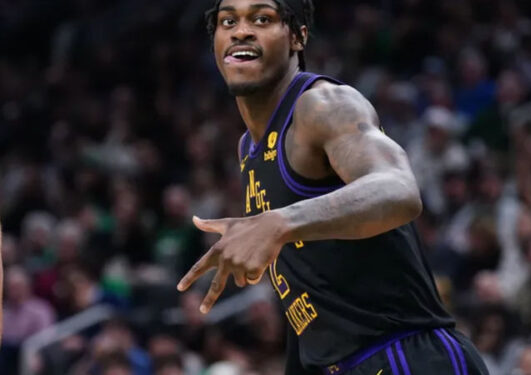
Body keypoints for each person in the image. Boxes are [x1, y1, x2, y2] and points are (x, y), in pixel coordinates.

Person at [176, 1, 490, 374]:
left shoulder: (323, 105)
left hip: (405, 354)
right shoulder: (249, 148)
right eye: (228, 21)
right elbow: (306, 290)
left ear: (297, 35)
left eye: (262, 18)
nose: (241, 31)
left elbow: (399, 189)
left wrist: (278, 222)